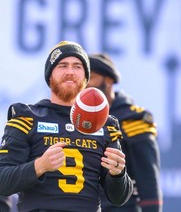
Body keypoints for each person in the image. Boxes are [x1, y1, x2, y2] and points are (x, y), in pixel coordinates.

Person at [0, 41, 133, 212]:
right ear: (49, 76)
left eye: (77, 66)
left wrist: (118, 174)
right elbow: (2, 181)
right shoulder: (28, 118)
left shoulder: (106, 124)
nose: (70, 72)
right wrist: (39, 166)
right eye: (62, 65)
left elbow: (119, 198)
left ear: (86, 78)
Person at [87, 53, 163, 212]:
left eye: (91, 78)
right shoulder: (75, 121)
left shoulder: (132, 121)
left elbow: (148, 184)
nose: (85, 85)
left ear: (109, 80)